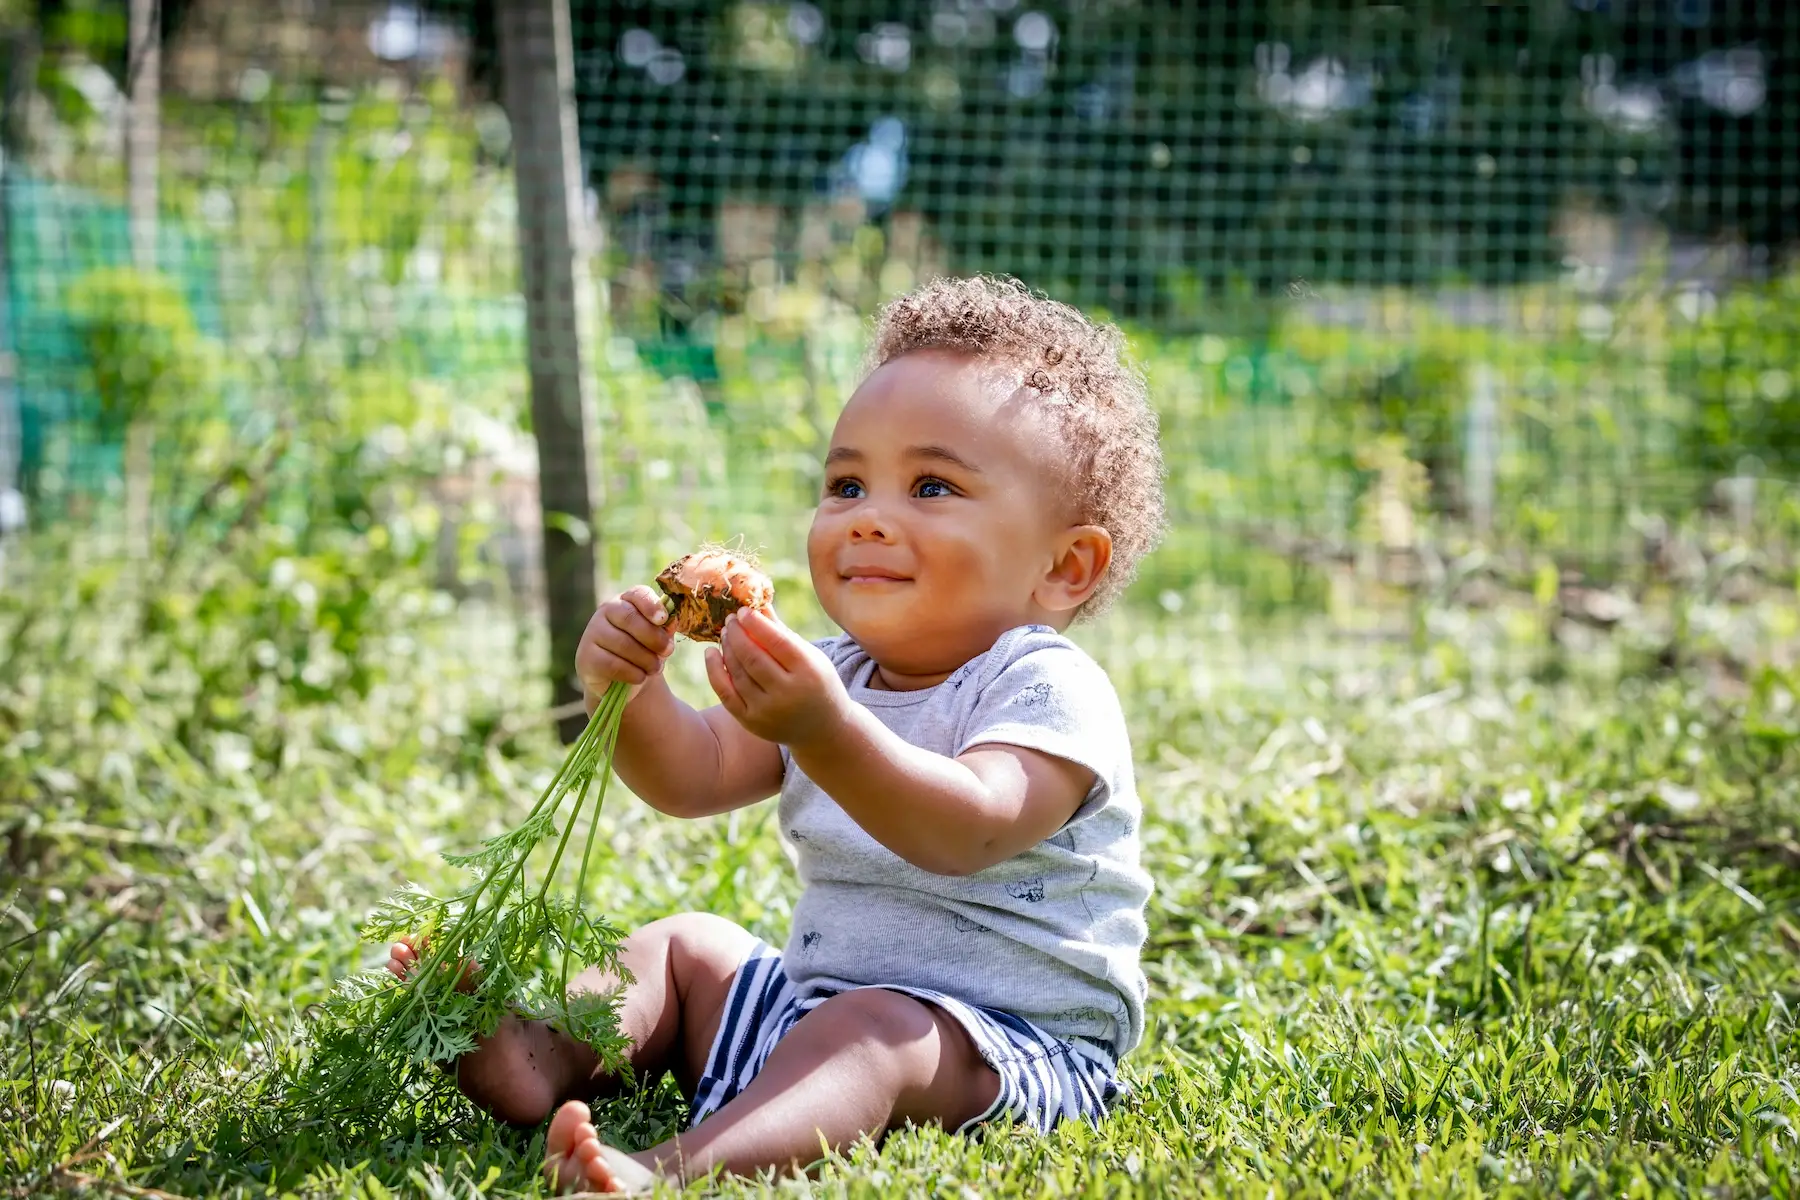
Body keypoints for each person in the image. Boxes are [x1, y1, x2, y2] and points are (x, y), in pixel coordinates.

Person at [389, 275, 1166, 1192]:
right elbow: (694, 775)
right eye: (846, 482)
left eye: (931, 485)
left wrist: (825, 730)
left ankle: (667, 1172)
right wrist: (629, 691)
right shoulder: (830, 674)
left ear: (1065, 566)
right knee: (687, 948)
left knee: (875, 1030)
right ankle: (540, 1054)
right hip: (812, 1014)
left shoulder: (1042, 686)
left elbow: (968, 828)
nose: (867, 515)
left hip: (1003, 1049)